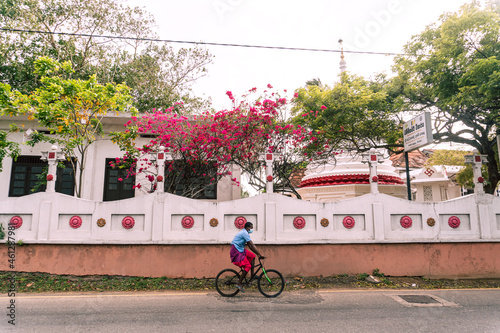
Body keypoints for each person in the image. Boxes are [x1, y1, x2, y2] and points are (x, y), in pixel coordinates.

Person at [230, 222, 264, 292]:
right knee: (248, 266)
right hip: (236, 251)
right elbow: (252, 244)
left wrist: (257, 254)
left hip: (241, 250)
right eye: (251, 228)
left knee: (252, 256)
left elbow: (249, 245)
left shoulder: (245, 233)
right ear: (247, 228)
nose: (251, 229)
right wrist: (259, 254)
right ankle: (239, 283)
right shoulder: (244, 233)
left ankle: (252, 275)